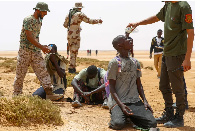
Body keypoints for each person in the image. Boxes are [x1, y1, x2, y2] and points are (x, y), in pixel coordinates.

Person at [127, 1, 194, 127]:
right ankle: (168, 113)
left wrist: (187, 58)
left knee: (177, 87)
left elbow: (190, 32)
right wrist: (137, 23)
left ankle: (179, 117)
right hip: (166, 52)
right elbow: (156, 17)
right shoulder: (168, 5)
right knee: (163, 85)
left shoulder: (183, 6)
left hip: (177, 53)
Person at [107, 35, 158, 130]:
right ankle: (118, 114)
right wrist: (121, 105)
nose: (130, 40)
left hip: (134, 101)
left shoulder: (135, 62)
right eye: (126, 39)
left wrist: (145, 101)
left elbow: (139, 84)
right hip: (119, 102)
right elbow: (112, 88)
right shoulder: (115, 63)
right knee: (118, 124)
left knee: (152, 123)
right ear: (120, 45)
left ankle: (129, 117)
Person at [13, 2, 60, 100]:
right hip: (25, 51)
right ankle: (16, 95)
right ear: (38, 10)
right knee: (20, 74)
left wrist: (42, 46)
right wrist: (42, 47)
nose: (45, 14)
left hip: (35, 51)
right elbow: (29, 37)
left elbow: (35, 37)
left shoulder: (39, 20)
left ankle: (49, 93)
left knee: (43, 71)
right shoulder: (28, 20)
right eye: (44, 11)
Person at [63, 2, 103, 73]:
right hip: (75, 35)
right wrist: (98, 21)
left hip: (69, 34)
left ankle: (71, 67)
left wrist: (72, 26)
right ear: (80, 8)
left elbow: (65, 25)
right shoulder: (79, 14)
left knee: (72, 50)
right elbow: (89, 21)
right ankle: (71, 68)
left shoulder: (69, 14)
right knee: (74, 51)